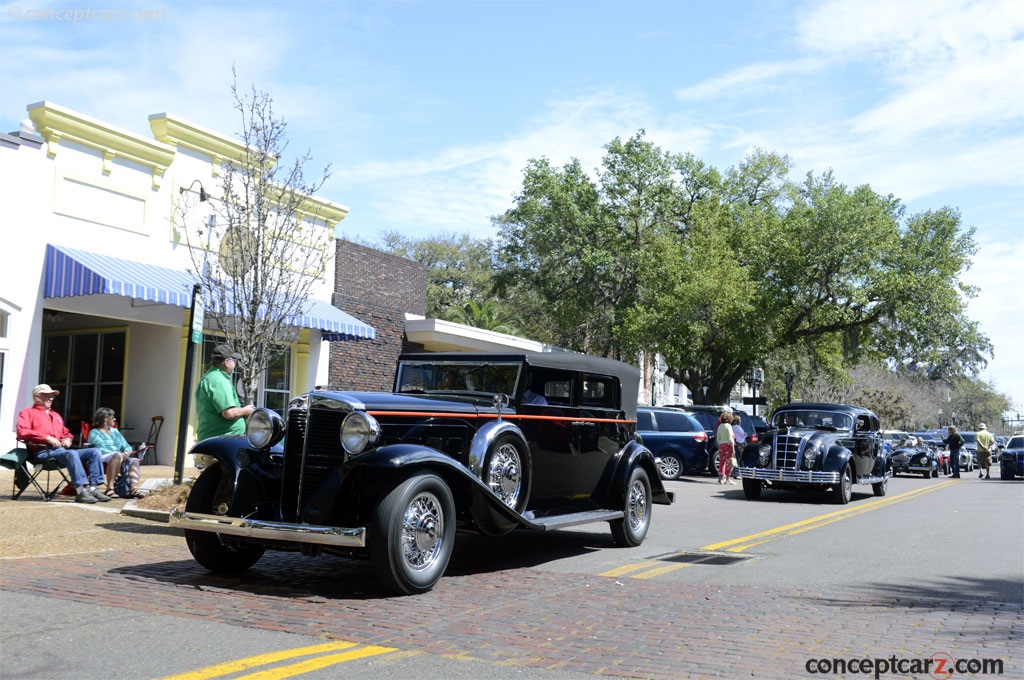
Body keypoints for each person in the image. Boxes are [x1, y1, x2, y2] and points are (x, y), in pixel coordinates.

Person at [16, 384, 110, 504]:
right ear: (37, 397)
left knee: (94, 451)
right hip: (42, 452)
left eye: (52, 396)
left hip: (62, 452)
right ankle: (81, 491)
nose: (51, 398)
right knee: (71, 454)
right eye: (48, 395)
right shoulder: (27, 413)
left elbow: (66, 432)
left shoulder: (56, 415)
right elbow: (22, 432)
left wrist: (68, 439)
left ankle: (93, 489)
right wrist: (47, 438)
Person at [195, 344, 255, 441]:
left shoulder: (209, 377)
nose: (235, 364)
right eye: (234, 361)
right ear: (227, 362)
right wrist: (246, 410)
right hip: (221, 441)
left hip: (216, 439)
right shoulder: (219, 381)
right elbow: (228, 413)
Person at [87, 407, 142, 498]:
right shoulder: (94, 433)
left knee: (135, 460)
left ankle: (133, 489)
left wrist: (126, 453)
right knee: (117, 455)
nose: (115, 419)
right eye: (112, 417)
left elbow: (127, 446)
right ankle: (110, 488)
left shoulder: (115, 432)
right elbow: (101, 449)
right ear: (105, 419)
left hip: (118, 456)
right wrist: (120, 455)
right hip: (101, 457)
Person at [716, 413, 736, 485]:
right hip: (728, 445)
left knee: (722, 462)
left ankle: (721, 478)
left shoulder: (720, 426)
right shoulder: (729, 426)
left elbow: (718, 438)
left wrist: (720, 444)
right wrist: (733, 449)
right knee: (729, 463)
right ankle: (728, 479)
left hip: (721, 445)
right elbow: (731, 438)